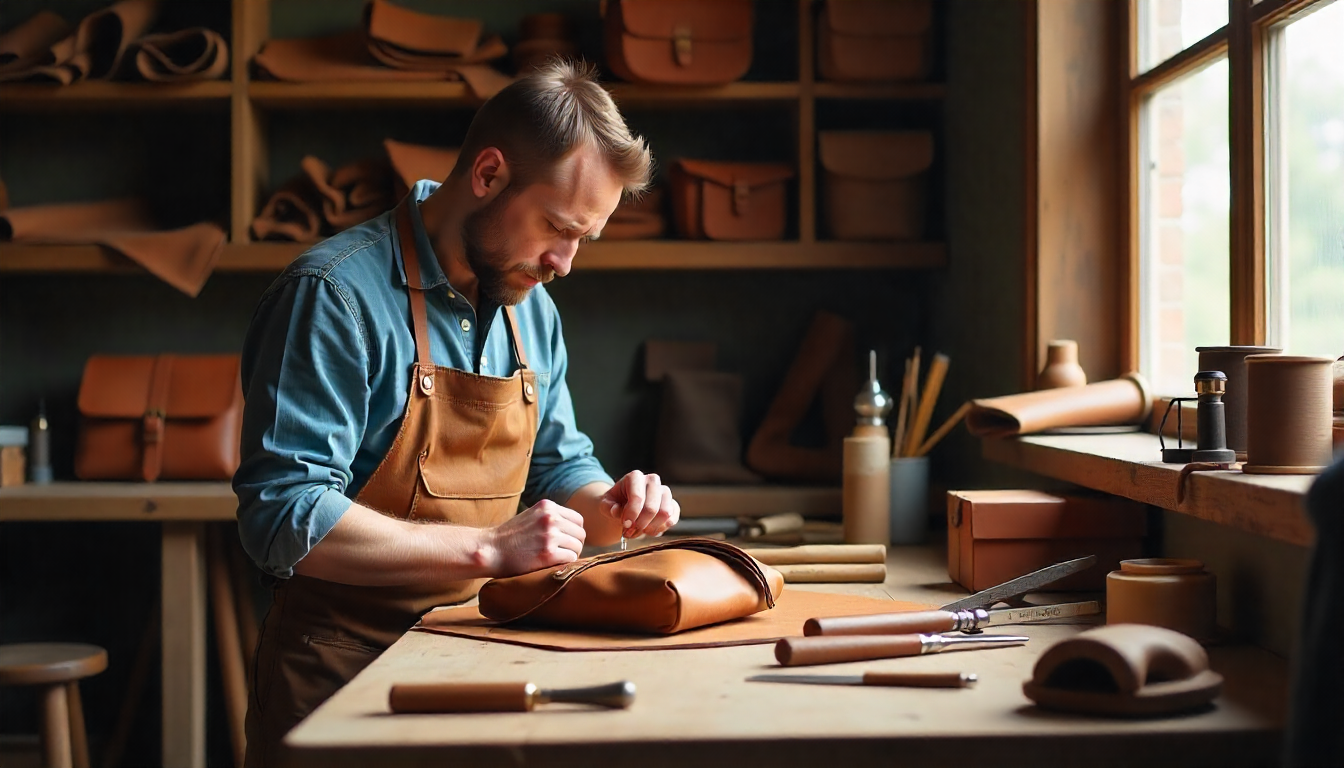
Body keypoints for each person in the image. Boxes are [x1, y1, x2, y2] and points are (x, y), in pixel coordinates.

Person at [232, 60, 680, 766]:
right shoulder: (334, 296)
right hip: (337, 686)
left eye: (582, 240)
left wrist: (611, 506)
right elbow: (282, 515)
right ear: (489, 175)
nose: (564, 262)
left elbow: (560, 465)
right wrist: (487, 551)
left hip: (480, 668)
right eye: (557, 229)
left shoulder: (533, 310)